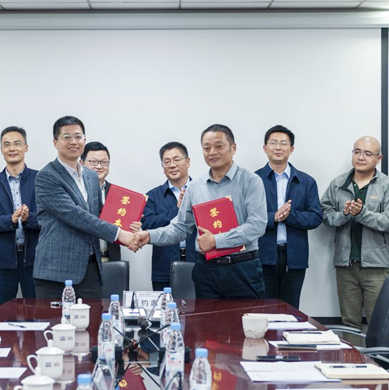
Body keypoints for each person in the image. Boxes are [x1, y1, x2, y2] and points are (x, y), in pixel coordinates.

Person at [135, 124, 267, 299]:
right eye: (206, 148)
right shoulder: (195, 187)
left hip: (243, 269)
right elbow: (180, 227)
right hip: (206, 270)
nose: (212, 152)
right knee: (206, 317)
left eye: (219, 146)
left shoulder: (250, 181)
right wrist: (149, 236)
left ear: (233, 148)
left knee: (245, 317)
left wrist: (216, 241)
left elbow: (257, 225)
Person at [33, 116, 138, 299]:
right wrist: (119, 234)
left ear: (84, 140)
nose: (73, 142)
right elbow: (75, 215)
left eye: (78, 136)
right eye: (67, 137)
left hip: (90, 270)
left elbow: (100, 213)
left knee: (93, 317)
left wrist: (129, 226)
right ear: (55, 142)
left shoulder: (90, 176)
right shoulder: (47, 176)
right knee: (54, 319)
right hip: (56, 273)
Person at [321, 136, 389, 329]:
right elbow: (325, 215)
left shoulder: (387, 185)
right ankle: (351, 351)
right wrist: (344, 214)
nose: (361, 157)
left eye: (367, 153)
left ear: (379, 159)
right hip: (345, 265)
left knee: (379, 323)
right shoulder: (338, 183)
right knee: (349, 322)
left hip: (375, 266)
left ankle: (378, 352)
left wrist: (362, 214)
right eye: (357, 152)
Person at [255, 125, 322, 309]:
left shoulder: (306, 181)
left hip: (295, 257)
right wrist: (273, 217)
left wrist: (289, 216)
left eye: (283, 143)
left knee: (290, 310)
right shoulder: (254, 180)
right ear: (265, 148)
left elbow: (316, 216)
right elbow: (246, 217)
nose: (278, 147)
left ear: (291, 149)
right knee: (264, 310)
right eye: (273, 143)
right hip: (262, 256)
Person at [0, 126, 39, 307]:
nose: (12, 148)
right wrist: (10, 220)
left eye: (17, 143)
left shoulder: (40, 179)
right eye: (7, 144)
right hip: (3, 261)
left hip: (35, 259)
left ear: (26, 147)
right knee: (1, 314)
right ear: (1, 150)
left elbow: (50, 219)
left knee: (38, 313)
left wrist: (29, 219)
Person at [141, 142, 196, 292]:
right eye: (167, 161)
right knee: (165, 306)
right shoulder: (153, 196)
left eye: (176, 159)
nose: (172, 165)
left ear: (188, 162)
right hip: (164, 267)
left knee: (199, 306)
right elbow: (147, 225)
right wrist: (177, 210)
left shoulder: (202, 190)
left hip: (199, 265)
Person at [81, 141, 121, 262]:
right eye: (93, 162)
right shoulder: (74, 191)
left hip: (110, 258)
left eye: (104, 162)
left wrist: (132, 226)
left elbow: (120, 228)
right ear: (81, 163)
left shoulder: (117, 194)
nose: (99, 167)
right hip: (83, 259)